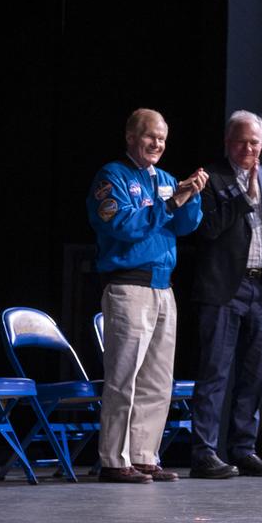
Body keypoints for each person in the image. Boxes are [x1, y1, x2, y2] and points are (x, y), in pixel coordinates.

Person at [87, 108, 207, 483]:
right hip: (128, 287)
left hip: (162, 287)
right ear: (130, 136)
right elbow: (123, 225)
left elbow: (187, 225)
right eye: (149, 136)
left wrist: (191, 194)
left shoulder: (167, 179)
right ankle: (113, 459)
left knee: (157, 380)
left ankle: (142, 454)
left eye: (162, 139)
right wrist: (170, 205)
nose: (157, 144)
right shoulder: (112, 177)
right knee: (124, 376)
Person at [188, 110, 262, 479]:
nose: (248, 148)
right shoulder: (211, 178)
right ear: (227, 142)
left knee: (254, 375)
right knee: (215, 373)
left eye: (255, 142)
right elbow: (207, 230)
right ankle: (204, 452)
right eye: (241, 141)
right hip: (225, 289)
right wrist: (241, 197)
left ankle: (244, 449)